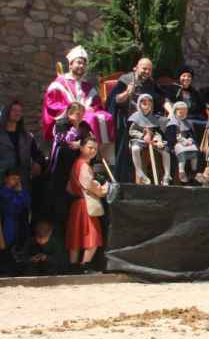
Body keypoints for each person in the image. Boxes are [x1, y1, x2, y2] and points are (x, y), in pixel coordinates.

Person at [41, 45, 115, 164]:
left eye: (84, 64)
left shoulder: (87, 86)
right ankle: (88, 152)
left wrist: (92, 109)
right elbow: (52, 105)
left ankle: (104, 159)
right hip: (67, 124)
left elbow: (97, 105)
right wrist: (72, 110)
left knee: (106, 117)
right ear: (70, 64)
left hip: (85, 119)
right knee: (89, 117)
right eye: (79, 63)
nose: (81, 66)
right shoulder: (59, 84)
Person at [108, 58, 166, 182]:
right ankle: (126, 179)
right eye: (144, 68)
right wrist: (127, 93)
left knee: (167, 126)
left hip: (147, 119)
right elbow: (115, 100)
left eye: (149, 70)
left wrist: (171, 111)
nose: (147, 71)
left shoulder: (151, 83)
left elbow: (162, 99)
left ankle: (164, 176)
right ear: (136, 68)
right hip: (129, 119)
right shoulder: (125, 80)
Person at [44, 102, 89, 226]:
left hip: (77, 170)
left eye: (82, 114)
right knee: (60, 203)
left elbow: (90, 142)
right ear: (69, 113)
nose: (80, 117)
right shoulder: (61, 124)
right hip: (61, 169)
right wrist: (78, 137)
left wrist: (80, 144)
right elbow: (64, 144)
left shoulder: (84, 126)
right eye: (77, 114)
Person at [66, 137, 107, 273]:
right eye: (90, 147)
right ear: (82, 148)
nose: (93, 151)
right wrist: (103, 189)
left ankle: (73, 267)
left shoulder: (75, 164)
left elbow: (69, 188)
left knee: (76, 237)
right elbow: (89, 185)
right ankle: (85, 266)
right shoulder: (83, 165)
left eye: (95, 148)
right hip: (86, 204)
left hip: (77, 204)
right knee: (93, 236)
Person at [0, 101, 46, 204]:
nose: (17, 113)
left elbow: (38, 154)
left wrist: (38, 163)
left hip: (22, 182)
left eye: (20, 111)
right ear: (6, 112)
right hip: (3, 181)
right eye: (14, 110)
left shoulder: (27, 137)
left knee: (22, 214)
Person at [128, 94, 171, 185]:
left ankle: (167, 175)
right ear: (139, 104)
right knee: (135, 149)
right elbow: (132, 131)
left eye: (149, 104)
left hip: (152, 140)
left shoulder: (154, 118)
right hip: (140, 140)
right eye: (144, 104)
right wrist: (142, 136)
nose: (147, 106)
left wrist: (158, 140)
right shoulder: (136, 117)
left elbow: (156, 132)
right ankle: (140, 173)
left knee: (165, 150)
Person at [0, 169, 30, 275]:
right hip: (6, 224)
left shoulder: (20, 190)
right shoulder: (3, 192)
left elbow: (26, 203)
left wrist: (20, 191)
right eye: (13, 179)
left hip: (19, 224)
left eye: (18, 179)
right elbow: (14, 205)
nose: (16, 181)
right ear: (5, 179)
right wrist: (19, 193)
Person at [166, 101, 200, 184]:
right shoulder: (173, 123)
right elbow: (173, 136)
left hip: (188, 143)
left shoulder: (188, 123)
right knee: (182, 151)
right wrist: (182, 141)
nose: (183, 114)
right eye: (180, 112)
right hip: (177, 143)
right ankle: (181, 171)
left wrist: (190, 140)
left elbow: (191, 135)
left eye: (185, 112)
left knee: (194, 151)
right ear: (175, 112)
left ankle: (194, 170)